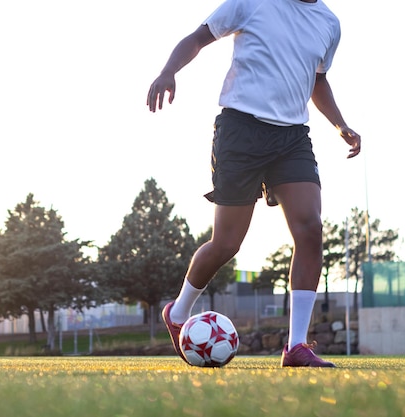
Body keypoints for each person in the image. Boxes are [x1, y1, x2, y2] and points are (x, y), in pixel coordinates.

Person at [147, 0, 361, 367]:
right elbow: (198, 38)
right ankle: (179, 311)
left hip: (292, 138)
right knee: (227, 243)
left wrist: (340, 124)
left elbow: (317, 79)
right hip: (241, 130)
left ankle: (296, 347)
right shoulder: (252, 2)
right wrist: (169, 71)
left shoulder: (329, 23)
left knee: (310, 230)